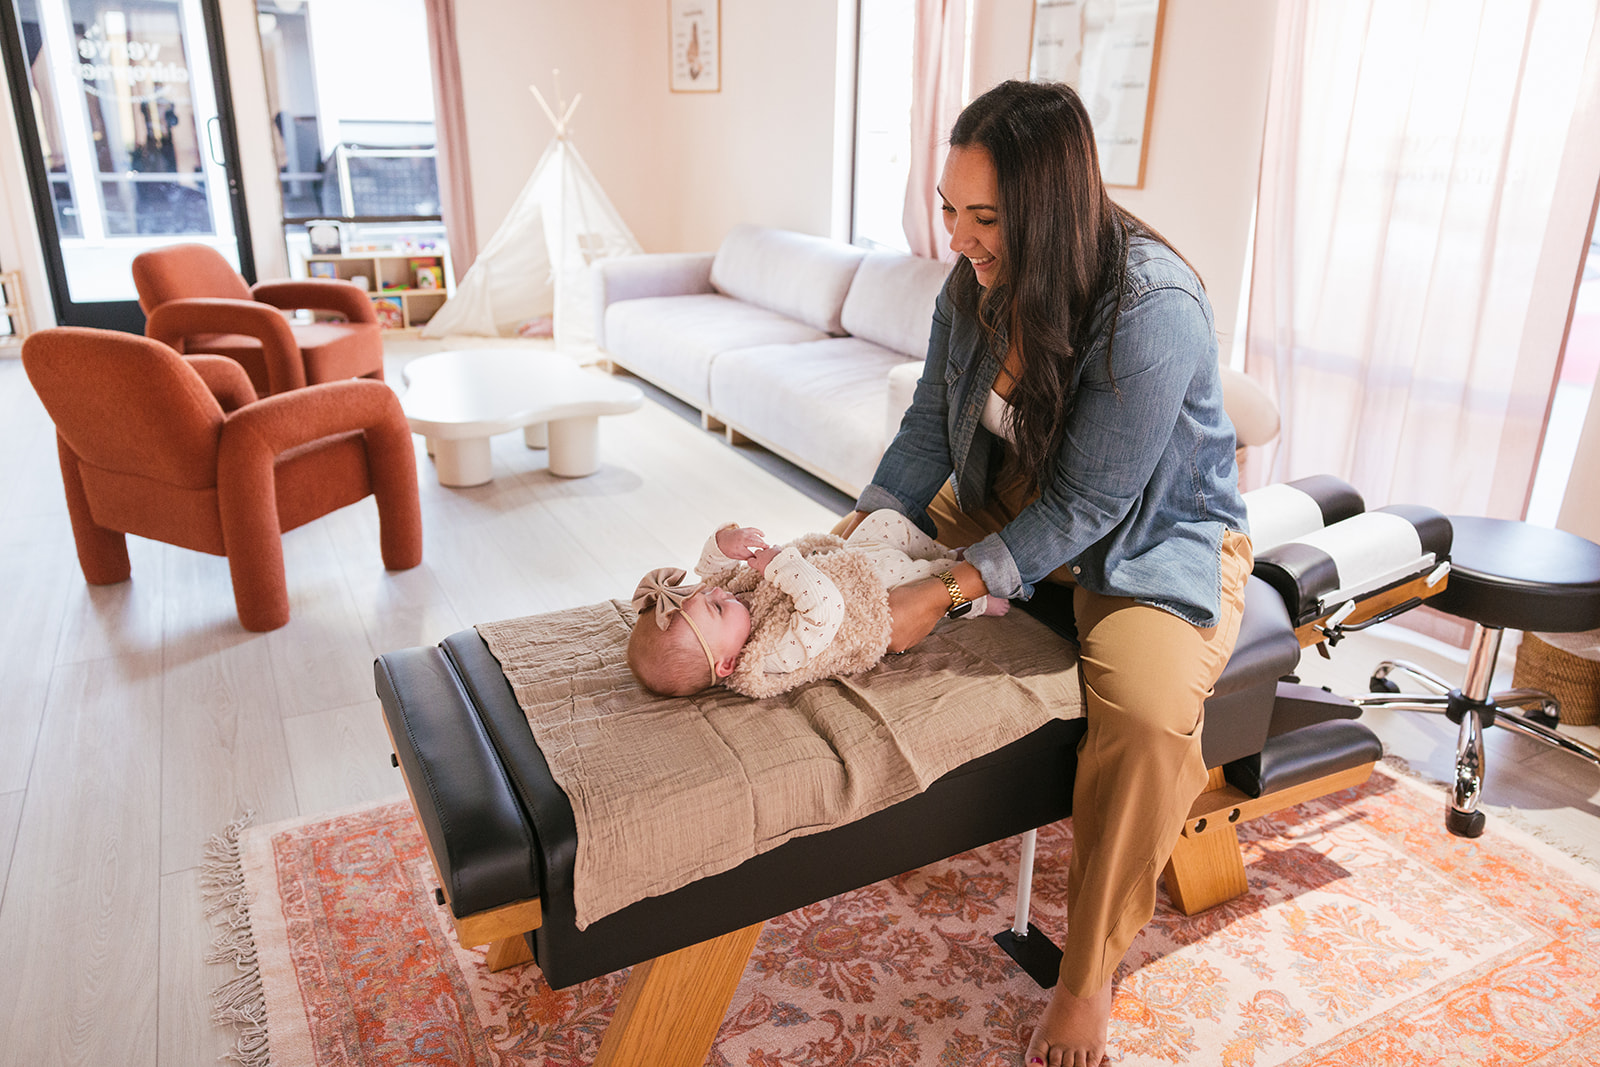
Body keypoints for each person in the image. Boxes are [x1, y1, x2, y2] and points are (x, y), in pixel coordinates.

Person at [836, 80, 1253, 1067]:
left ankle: (1086, 979)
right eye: (948, 206)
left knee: (1149, 721)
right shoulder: (970, 284)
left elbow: (1088, 506)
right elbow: (932, 424)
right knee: (846, 574)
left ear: (1048, 206)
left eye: (983, 216)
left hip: (1141, 537)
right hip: (1012, 496)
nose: (957, 236)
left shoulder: (1152, 305)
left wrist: (942, 589)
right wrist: (860, 532)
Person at [627, 510, 1007, 699]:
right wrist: (782, 567)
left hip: (845, 562)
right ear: (727, 663)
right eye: (717, 607)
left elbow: (711, 576)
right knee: (924, 575)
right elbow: (824, 613)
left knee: (884, 522)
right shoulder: (770, 656)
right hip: (869, 597)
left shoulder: (728, 618)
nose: (719, 593)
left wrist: (723, 545)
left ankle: (946, 551)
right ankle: (976, 598)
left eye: (706, 595)